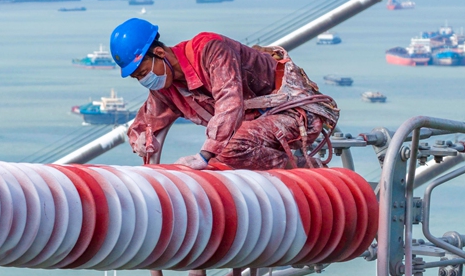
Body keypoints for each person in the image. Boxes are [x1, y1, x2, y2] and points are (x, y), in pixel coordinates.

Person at [109, 17, 340, 171]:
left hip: (294, 115)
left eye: (142, 73)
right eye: (137, 78)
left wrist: (204, 156)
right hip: (253, 132)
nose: (144, 80)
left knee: (229, 149)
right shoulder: (166, 90)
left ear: (159, 52)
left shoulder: (210, 50)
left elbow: (230, 102)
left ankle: (307, 170)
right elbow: (145, 124)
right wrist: (140, 139)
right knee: (227, 153)